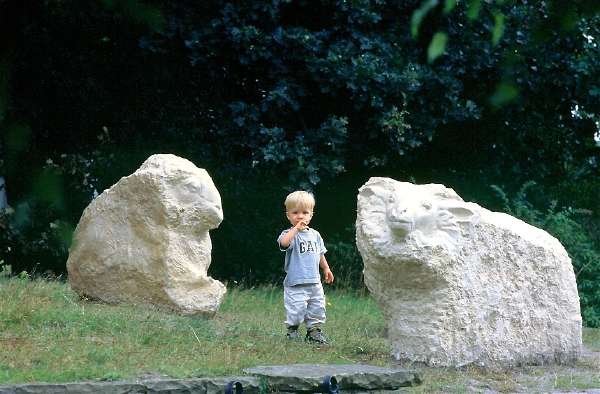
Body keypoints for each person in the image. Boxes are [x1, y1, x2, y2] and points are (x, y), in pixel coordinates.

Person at [277, 191, 334, 344]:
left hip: (314, 282)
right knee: (296, 310)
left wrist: (326, 269)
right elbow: (284, 243)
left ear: (311, 215)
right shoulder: (288, 233)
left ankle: (314, 332)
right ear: (288, 215)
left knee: (317, 307)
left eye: (304, 212)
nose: (300, 216)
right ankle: (292, 331)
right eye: (295, 213)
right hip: (295, 283)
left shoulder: (315, 235)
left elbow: (320, 253)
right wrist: (295, 229)